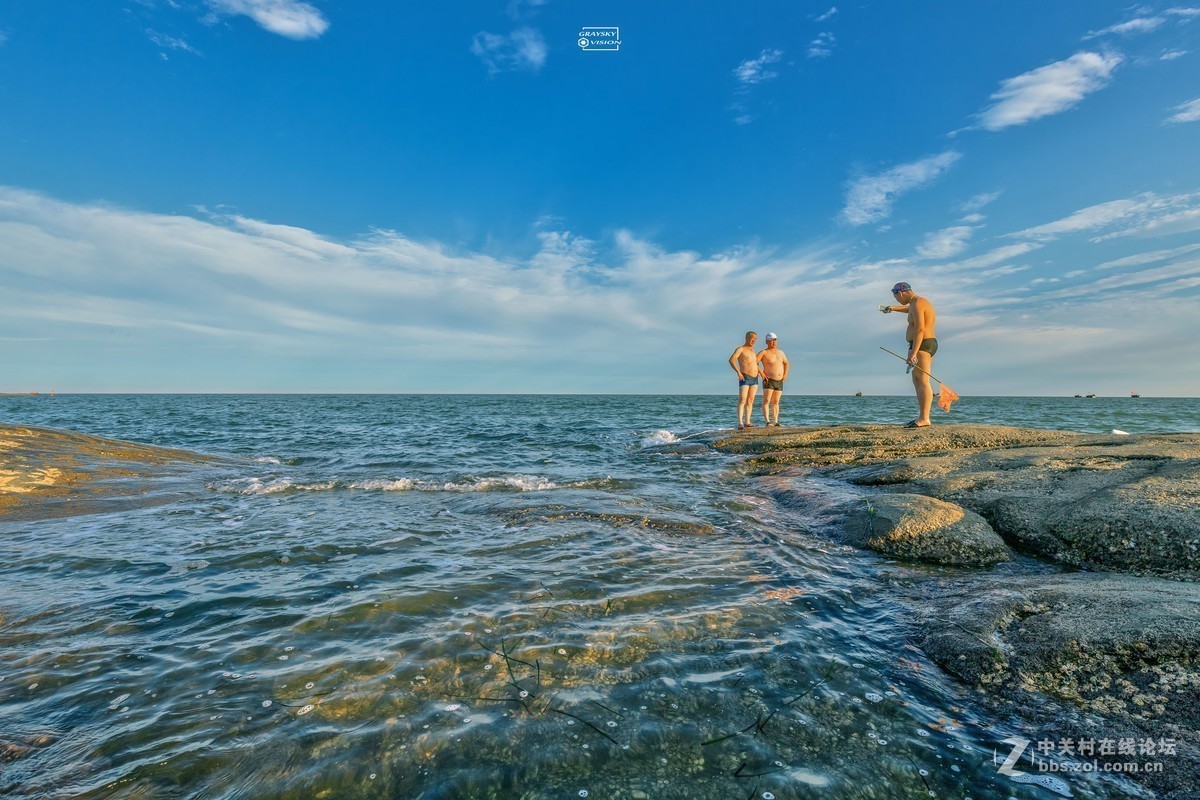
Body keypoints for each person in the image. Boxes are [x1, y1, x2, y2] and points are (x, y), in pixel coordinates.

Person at [880, 282, 938, 427]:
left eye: (896, 299)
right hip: (920, 344)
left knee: (922, 380)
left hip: (923, 343)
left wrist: (913, 353)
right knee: (917, 380)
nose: (897, 301)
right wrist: (893, 308)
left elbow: (920, 329)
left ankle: (925, 418)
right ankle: (922, 416)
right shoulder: (915, 303)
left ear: (900, 293)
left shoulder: (918, 303)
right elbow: (909, 310)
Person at [728, 331, 760, 430]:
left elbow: (754, 363)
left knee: (750, 401)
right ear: (746, 338)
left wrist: (761, 372)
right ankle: (740, 422)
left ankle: (747, 421)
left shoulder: (753, 351)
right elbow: (731, 360)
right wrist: (738, 372)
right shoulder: (741, 349)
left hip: (755, 378)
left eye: (755, 339)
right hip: (745, 377)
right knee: (742, 399)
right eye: (752, 338)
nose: (753, 341)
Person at [756, 332, 788, 427]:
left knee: (776, 402)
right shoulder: (763, 352)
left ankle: (776, 421)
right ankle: (767, 421)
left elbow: (786, 363)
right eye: (771, 341)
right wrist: (762, 373)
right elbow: (755, 362)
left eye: (775, 340)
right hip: (768, 380)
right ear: (767, 342)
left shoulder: (780, 352)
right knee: (766, 401)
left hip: (779, 381)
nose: (773, 342)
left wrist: (785, 374)